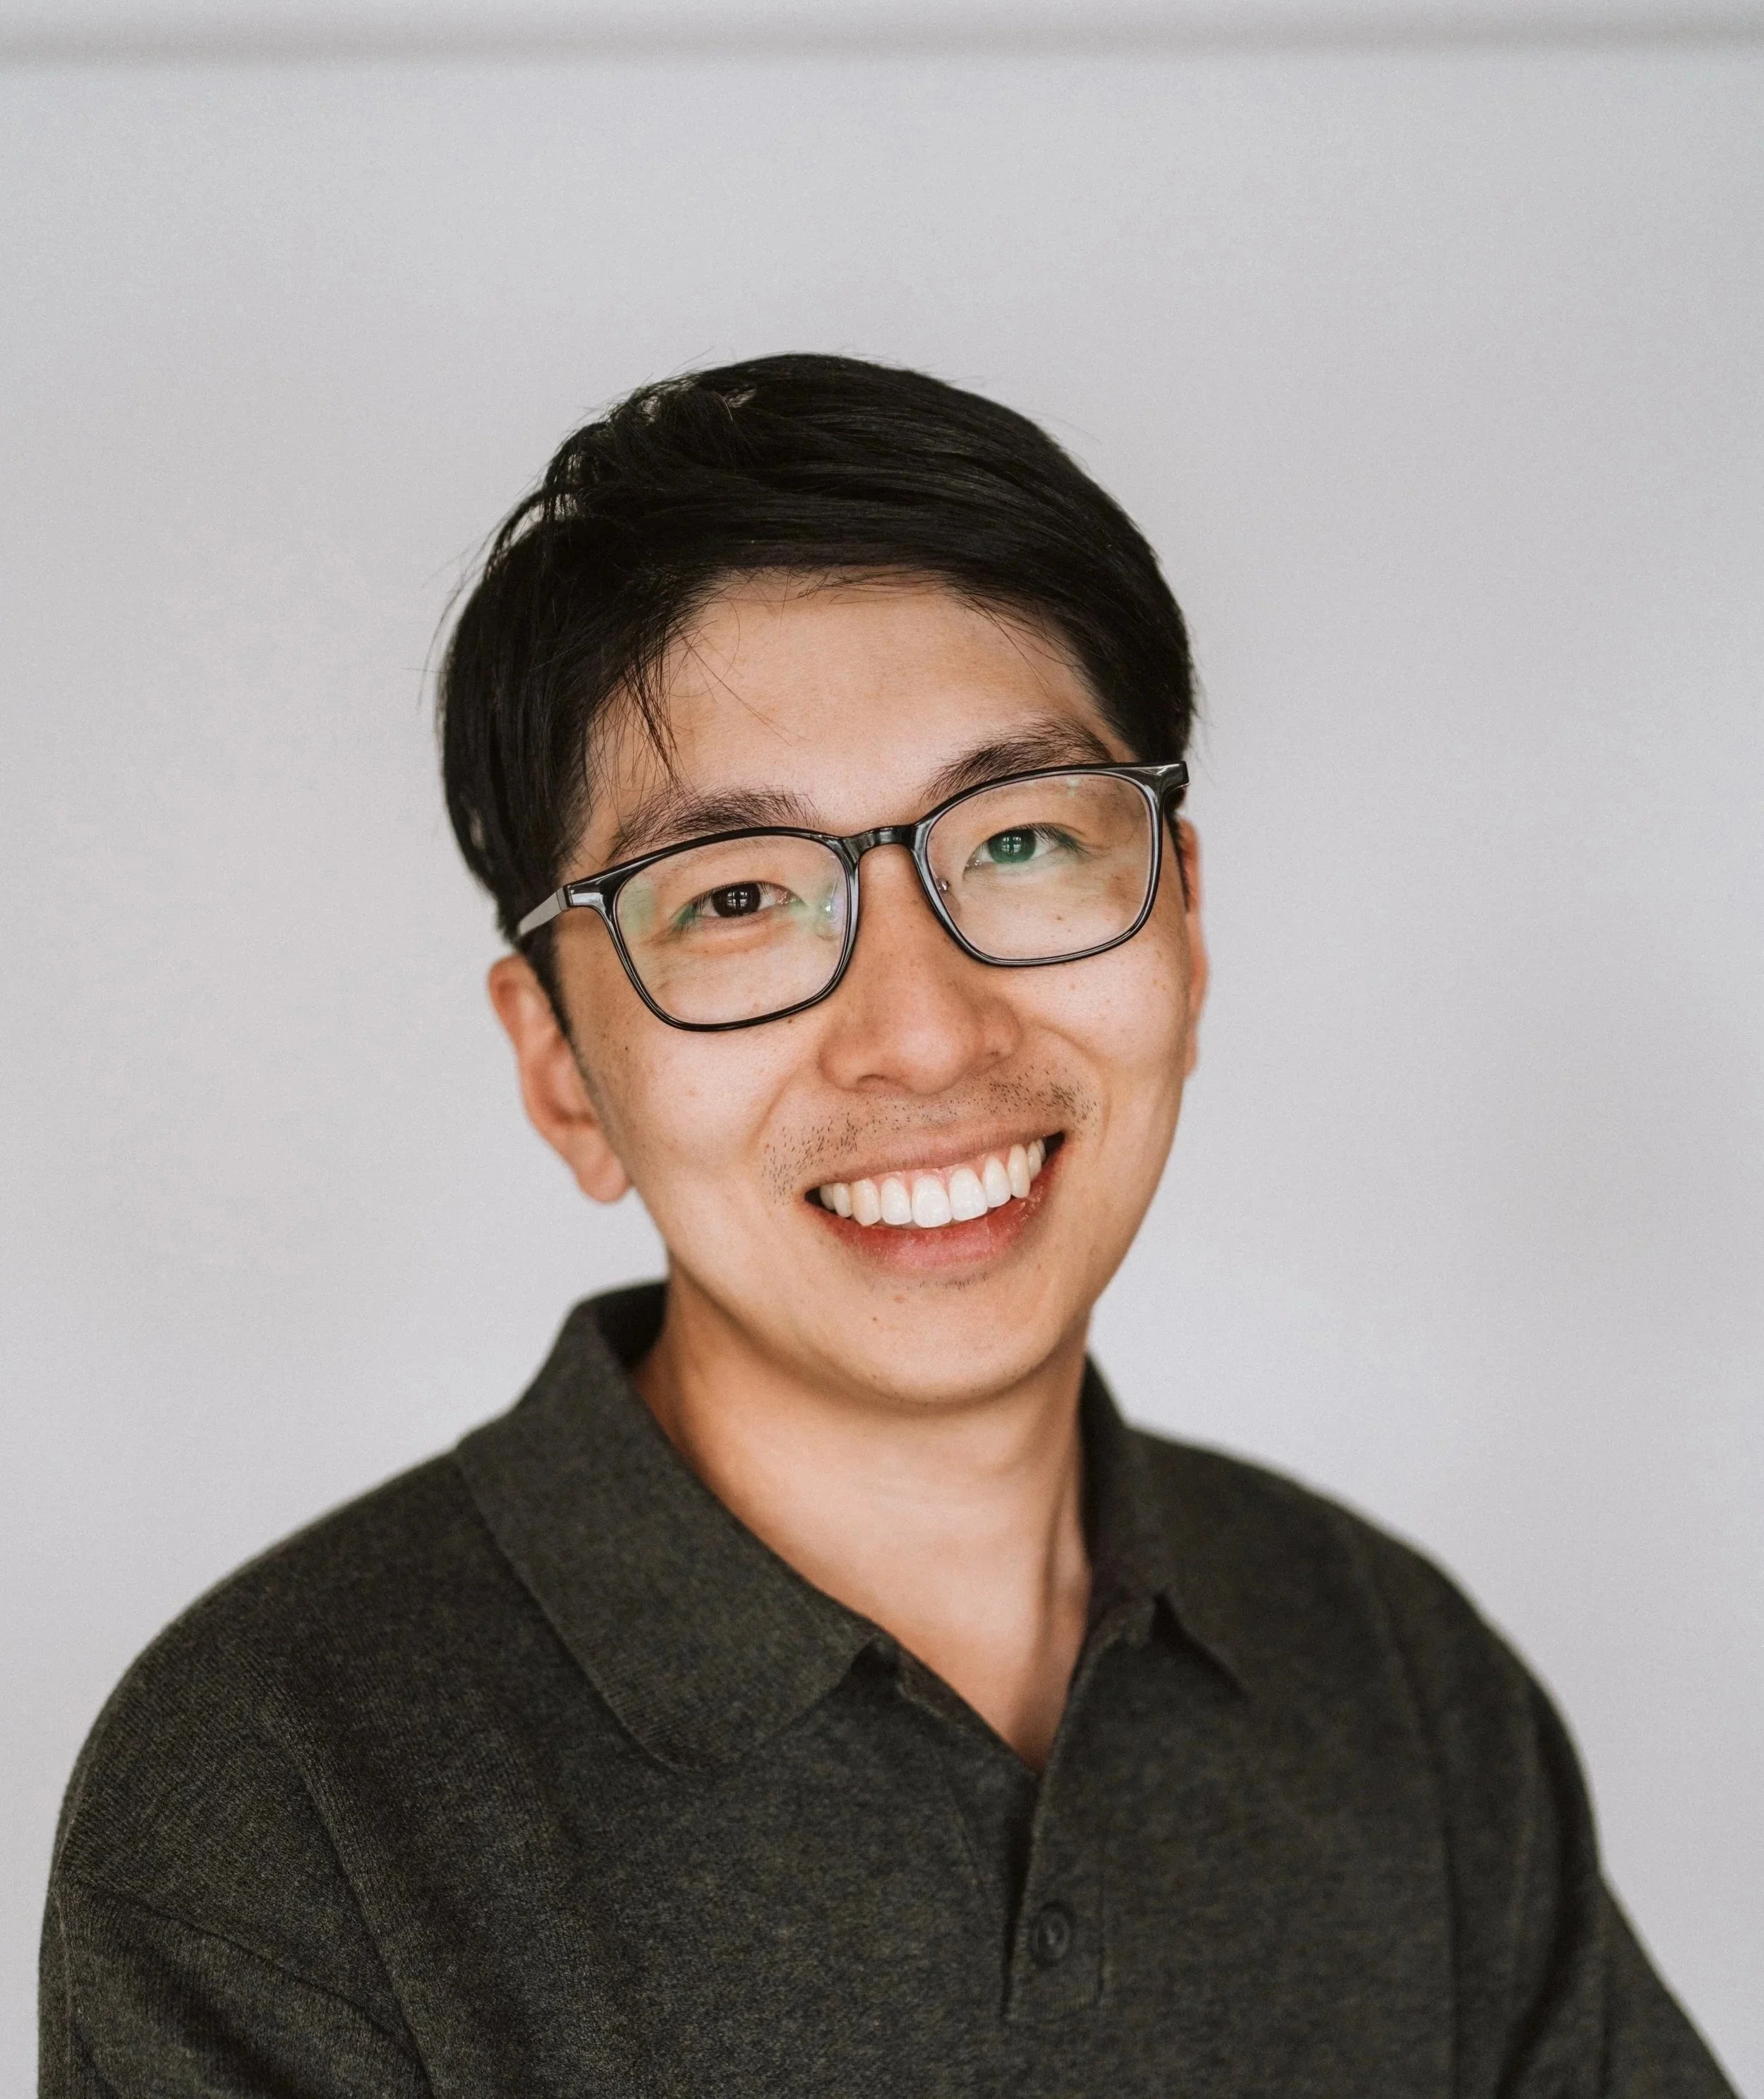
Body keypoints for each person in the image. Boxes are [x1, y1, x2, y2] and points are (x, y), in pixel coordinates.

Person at [40, 354, 1734, 2098]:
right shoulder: (280, 1799)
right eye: (743, 896)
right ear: (560, 1066)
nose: (925, 1031)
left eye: (1015, 843)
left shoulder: (1389, 1672)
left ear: (1184, 926)